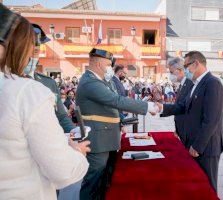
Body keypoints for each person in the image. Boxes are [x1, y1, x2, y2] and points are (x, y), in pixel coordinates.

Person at [0, 11, 89, 199]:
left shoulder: (46, 83)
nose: (31, 56)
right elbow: (63, 170)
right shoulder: (27, 91)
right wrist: (77, 153)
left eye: (36, 50)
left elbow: (61, 115)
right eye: (27, 48)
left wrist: (72, 131)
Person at [76, 48, 159, 200]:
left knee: (104, 182)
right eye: (108, 65)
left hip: (107, 137)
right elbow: (116, 101)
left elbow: (112, 105)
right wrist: (148, 107)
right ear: (99, 64)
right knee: (93, 182)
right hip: (98, 140)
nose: (110, 68)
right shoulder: (90, 82)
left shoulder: (102, 81)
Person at [157, 51, 223, 193]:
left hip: (206, 147)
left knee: (208, 188)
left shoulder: (212, 83)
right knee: (197, 187)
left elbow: (211, 120)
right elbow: (184, 107)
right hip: (194, 143)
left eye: (186, 66)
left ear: (196, 64)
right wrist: (161, 107)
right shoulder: (197, 83)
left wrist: (198, 146)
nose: (185, 69)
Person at [22, 23, 77, 133]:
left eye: (36, 52)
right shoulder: (7, 80)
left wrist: (74, 132)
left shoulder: (49, 83)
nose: (33, 57)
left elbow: (61, 116)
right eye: (29, 51)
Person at [161, 57, 193, 147]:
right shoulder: (182, 85)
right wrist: (178, 129)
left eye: (171, 72)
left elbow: (183, 108)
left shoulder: (190, 84)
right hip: (181, 131)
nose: (170, 75)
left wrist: (161, 108)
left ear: (179, 70)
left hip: (188, 133)